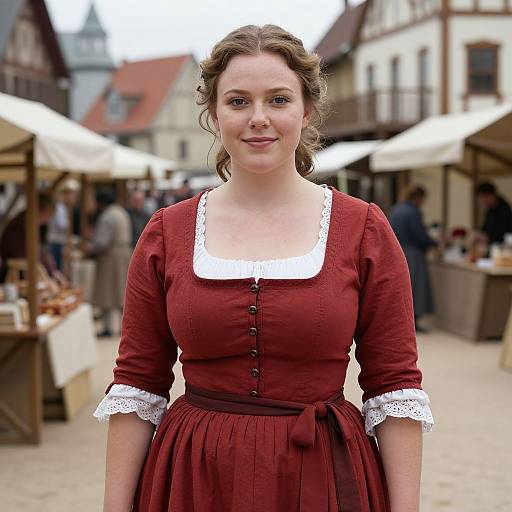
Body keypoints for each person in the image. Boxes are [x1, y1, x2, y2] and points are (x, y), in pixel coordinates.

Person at [94, 25, 433, 512]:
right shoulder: (167, 232)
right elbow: (137, 383)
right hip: (195, 476)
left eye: (278, 100)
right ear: (213, 113)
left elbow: (395, 385)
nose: (258, 119)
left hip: (323, 476)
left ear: (305, 111)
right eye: (237, 101)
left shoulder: (363, 229)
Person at [390, 185, 437, 333]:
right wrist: (433, 243)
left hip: (398, 251)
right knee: (416, 288)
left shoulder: (397, 209)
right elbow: (420, 235)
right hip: (413, 253)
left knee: (403, 288)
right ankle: (414, 321)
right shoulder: (413, 212)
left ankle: (402, 321)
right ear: (418, 198)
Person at [85, 191, 132, 337]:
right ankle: (124, 328)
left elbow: (102, 241)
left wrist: (90, 248)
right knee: (121, 292)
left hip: (110, 256)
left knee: (106, 293)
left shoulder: (107, 216)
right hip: (124, 254)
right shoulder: (121, 212)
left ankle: (107, 328)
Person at [0, 192, 59, 282]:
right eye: (48, 215)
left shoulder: (31, 224)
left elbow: (40, 253)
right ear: (40, 210)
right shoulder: (19, 226)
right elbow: (19, 258)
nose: (48, 220)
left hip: (27, 276)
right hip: (15, 279)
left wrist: (53, 270)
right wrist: (44, 271)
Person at [47, 178, 80, 271]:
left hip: (59, 242)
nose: (74, 197)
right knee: (57, 268)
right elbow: (62, 225)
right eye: (72, 194)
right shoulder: (59, 207)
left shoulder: (63, 208)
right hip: (56, 243)